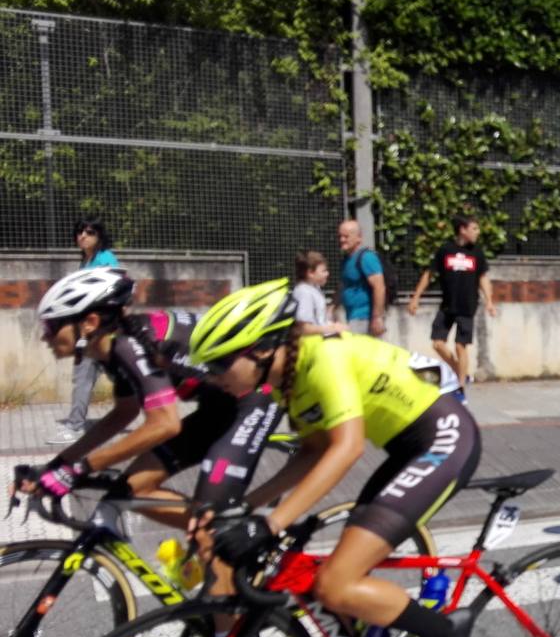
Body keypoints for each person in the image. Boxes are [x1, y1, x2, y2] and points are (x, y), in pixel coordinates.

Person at [188, 279, 481, 637]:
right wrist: (247, 508)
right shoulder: (284, 377)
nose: (212, 375)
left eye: (220, 363)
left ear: (261, 351)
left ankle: (446, 634)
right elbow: (311, 451)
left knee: (336, 584)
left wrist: (269, 525)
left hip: (443, 438)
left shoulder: (320, 358)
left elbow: (345, 450)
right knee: (337, 590)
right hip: (406, 448)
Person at [22, 268, 285, 532]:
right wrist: (55, 466)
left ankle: (246, 538)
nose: (45, 336)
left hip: (252, 397)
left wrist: (79, 468)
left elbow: (165, 425)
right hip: (218, 406)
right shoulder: (113, 349)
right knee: (134, 490)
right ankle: (227, 534)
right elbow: (123, 414)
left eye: (51, 326)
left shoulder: (128, 347)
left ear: (89, 322)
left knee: (210, 522)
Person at [407, 215, 494, 403]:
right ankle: (459, 371)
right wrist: (416, 297)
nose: (477, 233)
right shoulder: (445, 250)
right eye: (474, 229)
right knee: (437, 343)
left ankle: (460, 388)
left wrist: (489, 301)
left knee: (460, 346)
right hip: (447, 306)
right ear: (463, 230)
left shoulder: (477, 253)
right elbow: (429, 274)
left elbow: (483, 278)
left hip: (467, 306)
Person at [50, 218, 120, 445]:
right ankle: (75, 424)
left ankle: (74, 426)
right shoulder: (86, 261)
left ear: (99, 235)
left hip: (103, 330)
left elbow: (114, 290)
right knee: (85, 377)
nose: (83, 235)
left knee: (121, 377)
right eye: (79, 231)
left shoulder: (105, 258)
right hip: (89, 330)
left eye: (89, 232)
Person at [334, 219, 386, 337]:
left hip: (365, 318)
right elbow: (343, 286)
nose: (342, 240)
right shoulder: (346, 260)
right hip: (352, 317)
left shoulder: (367, 258)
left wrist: (377, 317)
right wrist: (332, 306)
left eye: (346, 236)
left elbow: (379, 287)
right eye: (340, 236)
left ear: (359, 238)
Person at [292, 251, 341, 336]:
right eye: (324, 271)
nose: (327, 274)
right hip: (314, 344)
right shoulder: (304, 292)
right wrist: (333, 328)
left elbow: (320, 320)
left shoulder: (314, 288)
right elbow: (305, 328)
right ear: (310, 273)